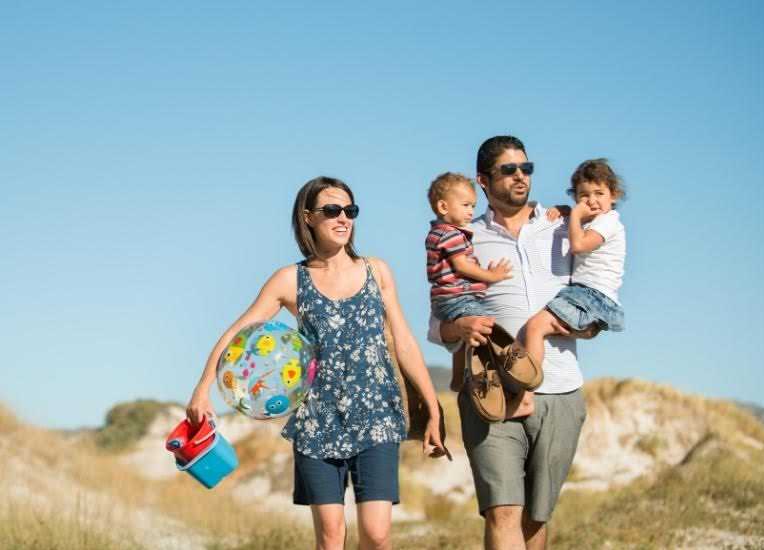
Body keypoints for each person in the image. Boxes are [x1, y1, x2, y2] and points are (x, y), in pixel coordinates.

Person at [188, 176, 444, 550]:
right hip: (317, 421)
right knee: (330, 537)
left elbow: (403, 341)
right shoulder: (291, 279)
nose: (343, 218)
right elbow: (237, 334)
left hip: (377, 415)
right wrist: (202, 387)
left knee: (377, 534)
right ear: (308, 217)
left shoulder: (377, 270)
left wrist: (432, 408)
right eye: (332, 210)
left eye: (350, 211)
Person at [429, 136, 588, 550]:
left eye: (526, 168)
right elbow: (440, 326)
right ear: (483, 180)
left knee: (536, 519)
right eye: (509, 169)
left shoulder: (562, 227)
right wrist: (460, 329)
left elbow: (596, 299)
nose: (521, 176)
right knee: (502, 511)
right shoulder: (464, 238)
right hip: (490, 393)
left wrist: (585, 327)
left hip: (561, 390)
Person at [524, 159, 626, 367]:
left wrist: (575, 215)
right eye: (584, 195)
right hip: (589, 296)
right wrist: (569, 213)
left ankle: (526, 388)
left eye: (599, 193)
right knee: (541, 327)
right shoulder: (592, 221)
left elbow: (579, 245)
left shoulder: (609, 221)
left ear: (613, 195)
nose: (591, 200)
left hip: (592, 295)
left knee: (535, 327)